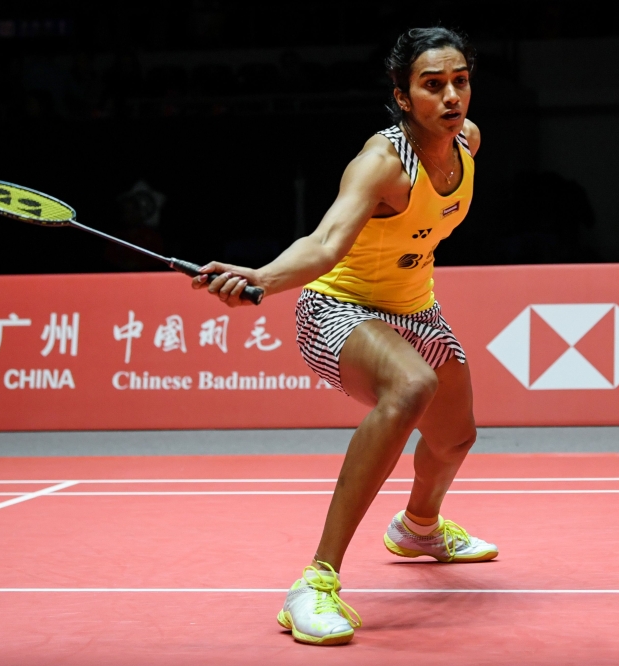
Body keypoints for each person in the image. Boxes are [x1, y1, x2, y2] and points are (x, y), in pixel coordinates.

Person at [192, 27, 497, 646]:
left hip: (416, 310)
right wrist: (262, 277)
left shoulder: (466, 141)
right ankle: (314, 583)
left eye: (459, 81)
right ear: (403, 96)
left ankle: (418, 527)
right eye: (432, 85)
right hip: (339, 308)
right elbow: (326, 243)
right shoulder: (382, 163)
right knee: (411, 386)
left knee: (455, 438)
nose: (450, 96)